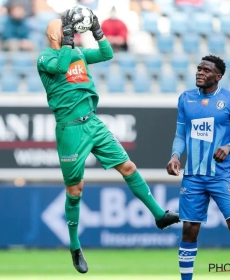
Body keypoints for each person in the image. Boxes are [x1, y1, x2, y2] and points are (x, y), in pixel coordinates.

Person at [37, 9, 180, 274]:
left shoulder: (78, 53)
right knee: (75, 191)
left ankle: (159, 215)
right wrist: (69, 39)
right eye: (62, 28)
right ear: (53, 34)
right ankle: (74, 245)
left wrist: (97, 30)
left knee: (128, 167)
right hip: (70, 130)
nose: (68, 31)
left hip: (93, 123)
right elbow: (59, 66)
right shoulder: (45, 57)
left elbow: (107, 54)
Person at [166, 55, 230, 280]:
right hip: (193, 176)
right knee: (190, 229)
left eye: (206, 70)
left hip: (221, 175)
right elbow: (180, 134)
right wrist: (175, 155)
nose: (200, 72)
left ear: (218, 76)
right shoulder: (186, 99)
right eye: (199, 68)